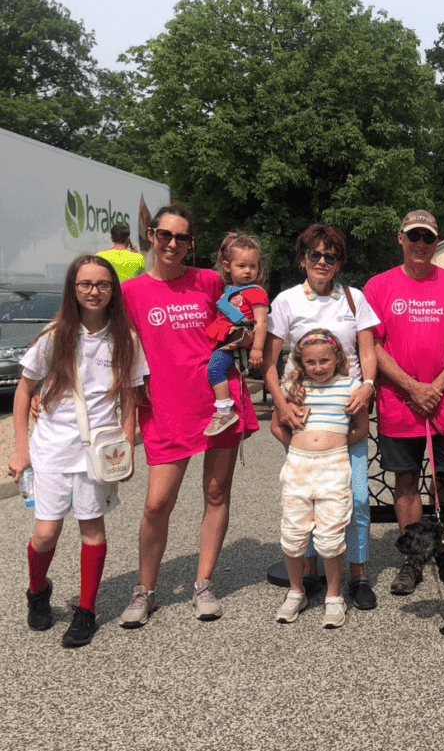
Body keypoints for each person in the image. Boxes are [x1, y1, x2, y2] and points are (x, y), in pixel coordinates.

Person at [118, 203, 259, 628]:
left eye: (182, 238)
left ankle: (203, 582)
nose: (173, 244)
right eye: (165, 235)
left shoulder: (210, 280)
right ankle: (144, 589)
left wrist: (245, 335)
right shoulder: (131, 292)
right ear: (151, 235)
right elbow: (121, 358)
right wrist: (126, 430)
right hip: (165, 407)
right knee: (157, 504)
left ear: (191, 243)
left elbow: (241, 323)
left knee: (216, 495)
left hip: (218, 404)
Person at [10, 254, 147, 647]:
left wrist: (127, 450)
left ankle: (86, 610)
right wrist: (22, 450)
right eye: (85, 284)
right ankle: (38, 592)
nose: (94, 291)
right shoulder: (54, 337)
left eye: (102, 284)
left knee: (92, 528)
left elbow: (129, 399)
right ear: (73, 288)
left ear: (112, 290)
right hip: (52, 449)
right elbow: (24, 392)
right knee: (46, 532)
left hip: (98, 452)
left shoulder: (125, 338)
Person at [363, 209, 444, 596]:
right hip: (400, 401)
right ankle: (413, 562)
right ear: (400, 238)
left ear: (437, 242)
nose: (420, 244)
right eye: (413, 235)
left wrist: (437, 385)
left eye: (427, 238)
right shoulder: (378, 286)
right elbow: (373, 345)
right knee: (407, 481)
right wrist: (413, 387)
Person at [262, 224, 379, 610]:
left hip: (346, 408)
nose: (323, 262)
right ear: (303, 259)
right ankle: (310, 575)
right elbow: (269, 360)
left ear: (339, 262)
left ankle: (358, 575)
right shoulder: (287, 301)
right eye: (315, 254)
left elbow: (367, 350)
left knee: (357, 498)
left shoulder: (354, 298)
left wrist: (368, 386)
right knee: (306, 498)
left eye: (331, 256)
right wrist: (281, 404)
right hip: (303, 407)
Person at [270, 330, 364, 629]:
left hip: (334, 465)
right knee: (294, 531)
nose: (319, 367)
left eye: (325, 360)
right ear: (301, 362)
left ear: (338, 358)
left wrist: (331, 445)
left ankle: (334, 596)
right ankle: (296, 591)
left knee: (330, 533)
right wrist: (300, 443)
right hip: (298, 465)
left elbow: (361, 428)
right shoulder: (292, 387)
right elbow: (275, 426)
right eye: (311, 362)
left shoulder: (351, 386)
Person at [203, 232, 269, 437]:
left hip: (237, 342)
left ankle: (224, 411)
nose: (248, 271)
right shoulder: (229, 291)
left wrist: (257, 348)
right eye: (242, 266)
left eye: (253, 266)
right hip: (224, 338)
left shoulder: (257, 292)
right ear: (227, 265)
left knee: (214, 370)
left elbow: (261, 322)